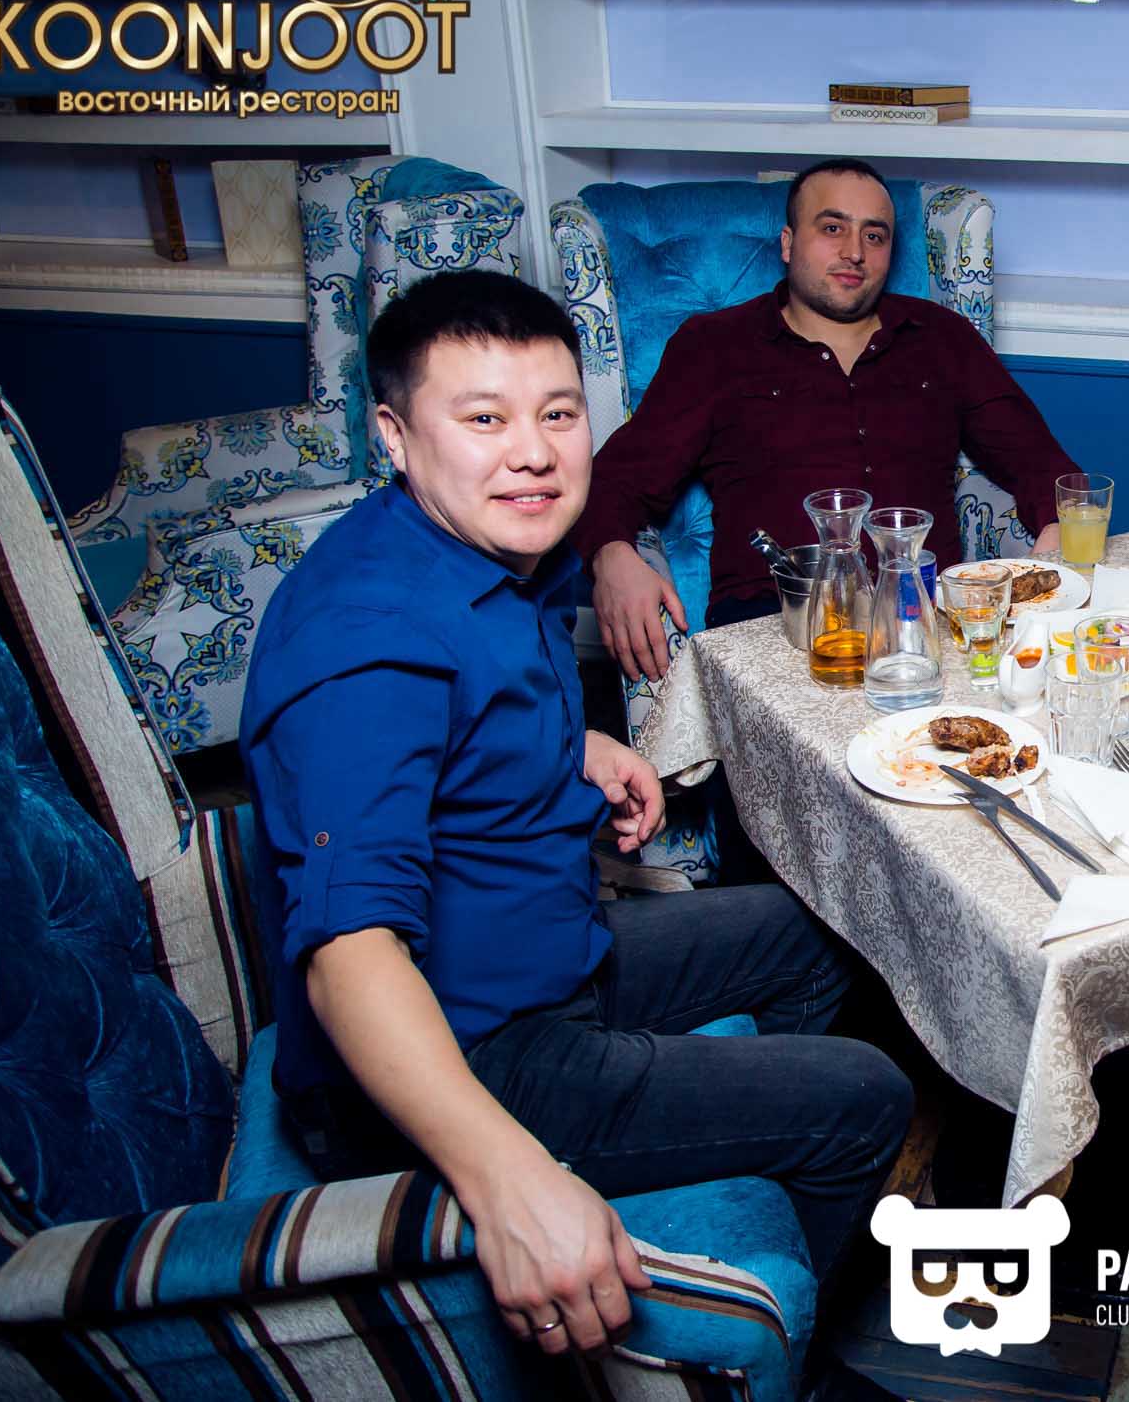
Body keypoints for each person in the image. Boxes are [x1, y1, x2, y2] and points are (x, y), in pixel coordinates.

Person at [239, 270, 913, 1370]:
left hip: (551, 958)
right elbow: (348, 952)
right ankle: (769, 1366)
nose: (534, 453)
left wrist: (576, 750)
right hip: (468, 1055)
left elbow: (467, 716)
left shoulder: (482, 549)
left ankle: (736, 1203)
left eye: (557, 414)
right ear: (395, 436)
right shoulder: (367, 640)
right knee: (867, 1096)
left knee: (823, 929)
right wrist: (507, 1177)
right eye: (484, 419)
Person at [576, 156, 1084, 681]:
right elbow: (617, 480)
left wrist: (1055, 531)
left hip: (924, 624)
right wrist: (611, 556)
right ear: (788, 243)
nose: (854, 252)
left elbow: (1039, 460)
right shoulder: (714, 347)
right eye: (832, 228)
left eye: (874, 236)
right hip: (774, 628)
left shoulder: (941, 337)